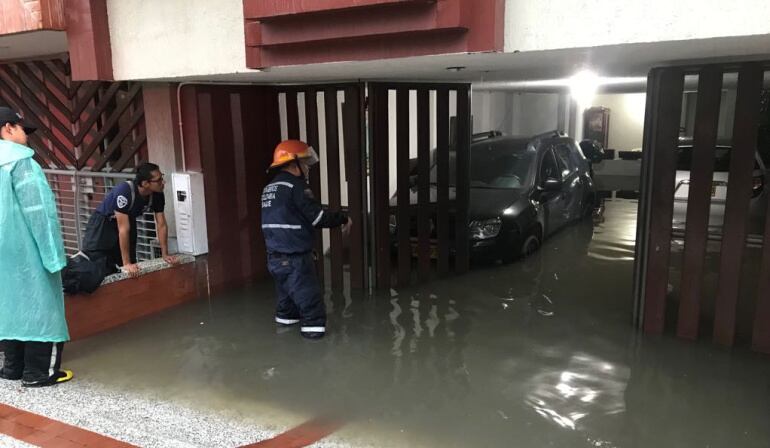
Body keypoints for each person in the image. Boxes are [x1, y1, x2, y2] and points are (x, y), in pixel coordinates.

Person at [0, 106, 73, 387]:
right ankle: (39, 373)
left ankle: (12, 369)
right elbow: (39, 213)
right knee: (43, 307)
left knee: (9, 307)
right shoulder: (21, 163)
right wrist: (55, 259)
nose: (26, 136)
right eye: (22, 129)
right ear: (8, 128)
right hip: (27, 252)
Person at [261, 140, 352, 339]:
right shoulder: (296, 186)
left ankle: (285, 338)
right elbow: (318, 218)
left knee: (286, 307)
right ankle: (314, 347)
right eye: (305, 163)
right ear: (294, 164)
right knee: (312, 307)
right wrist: (343, 218)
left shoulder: (270, 188)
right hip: (295, 260)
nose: (308, 168)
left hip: (274, 259)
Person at [81, 162, 177, 277]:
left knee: (132, 265)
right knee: (97, 263)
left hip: (128, 220)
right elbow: (123, 229)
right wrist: (126, 263)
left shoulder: (157, 194)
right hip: (104, 223)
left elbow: (161, 224)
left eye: (162, 177)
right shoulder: (125, 191)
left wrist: (165, 254)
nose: (163, 182)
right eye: (159, 180)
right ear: (145, 183)